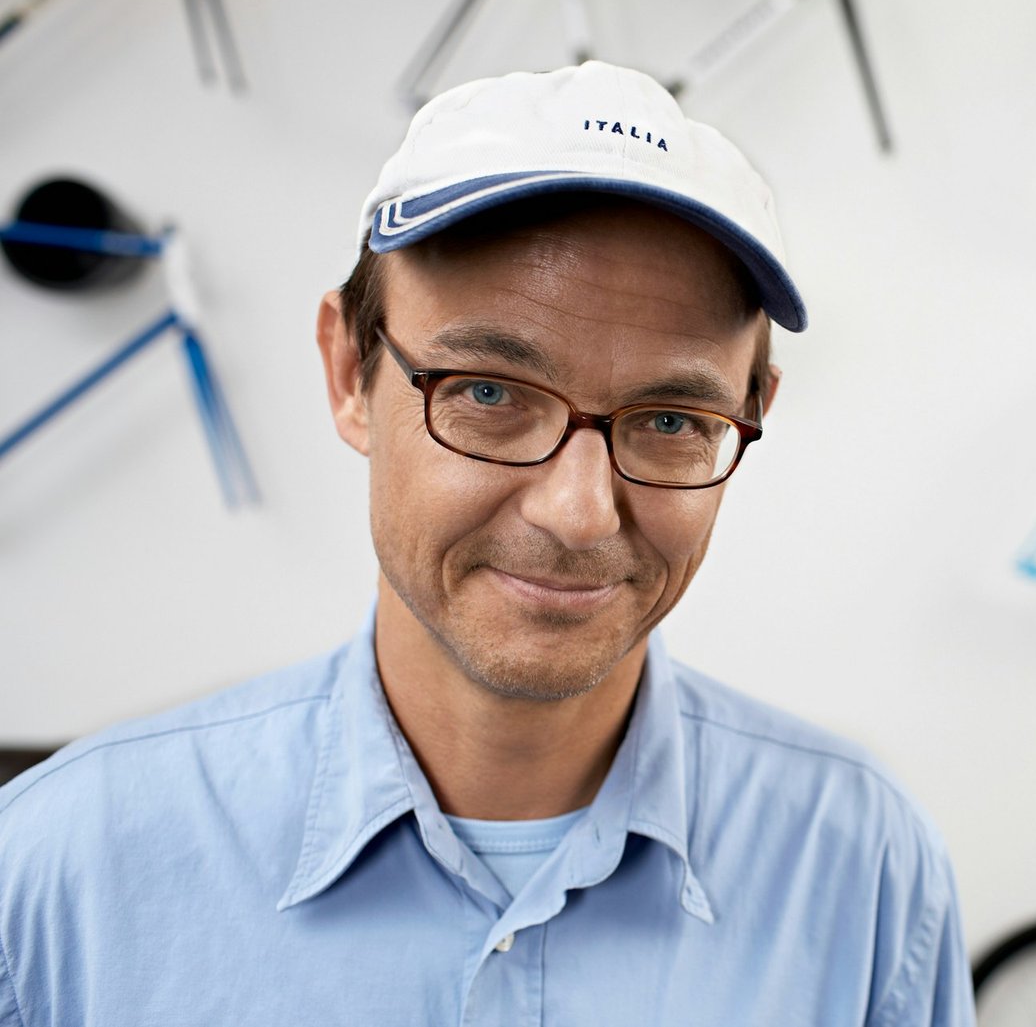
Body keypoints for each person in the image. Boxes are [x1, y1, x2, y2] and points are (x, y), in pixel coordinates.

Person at [0, 62, 975, 1026]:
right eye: (488, 393)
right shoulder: (60, 871)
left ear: (749, 413)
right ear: (350, 373)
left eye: (672, 419)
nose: (580, 512)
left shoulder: (863, 868)